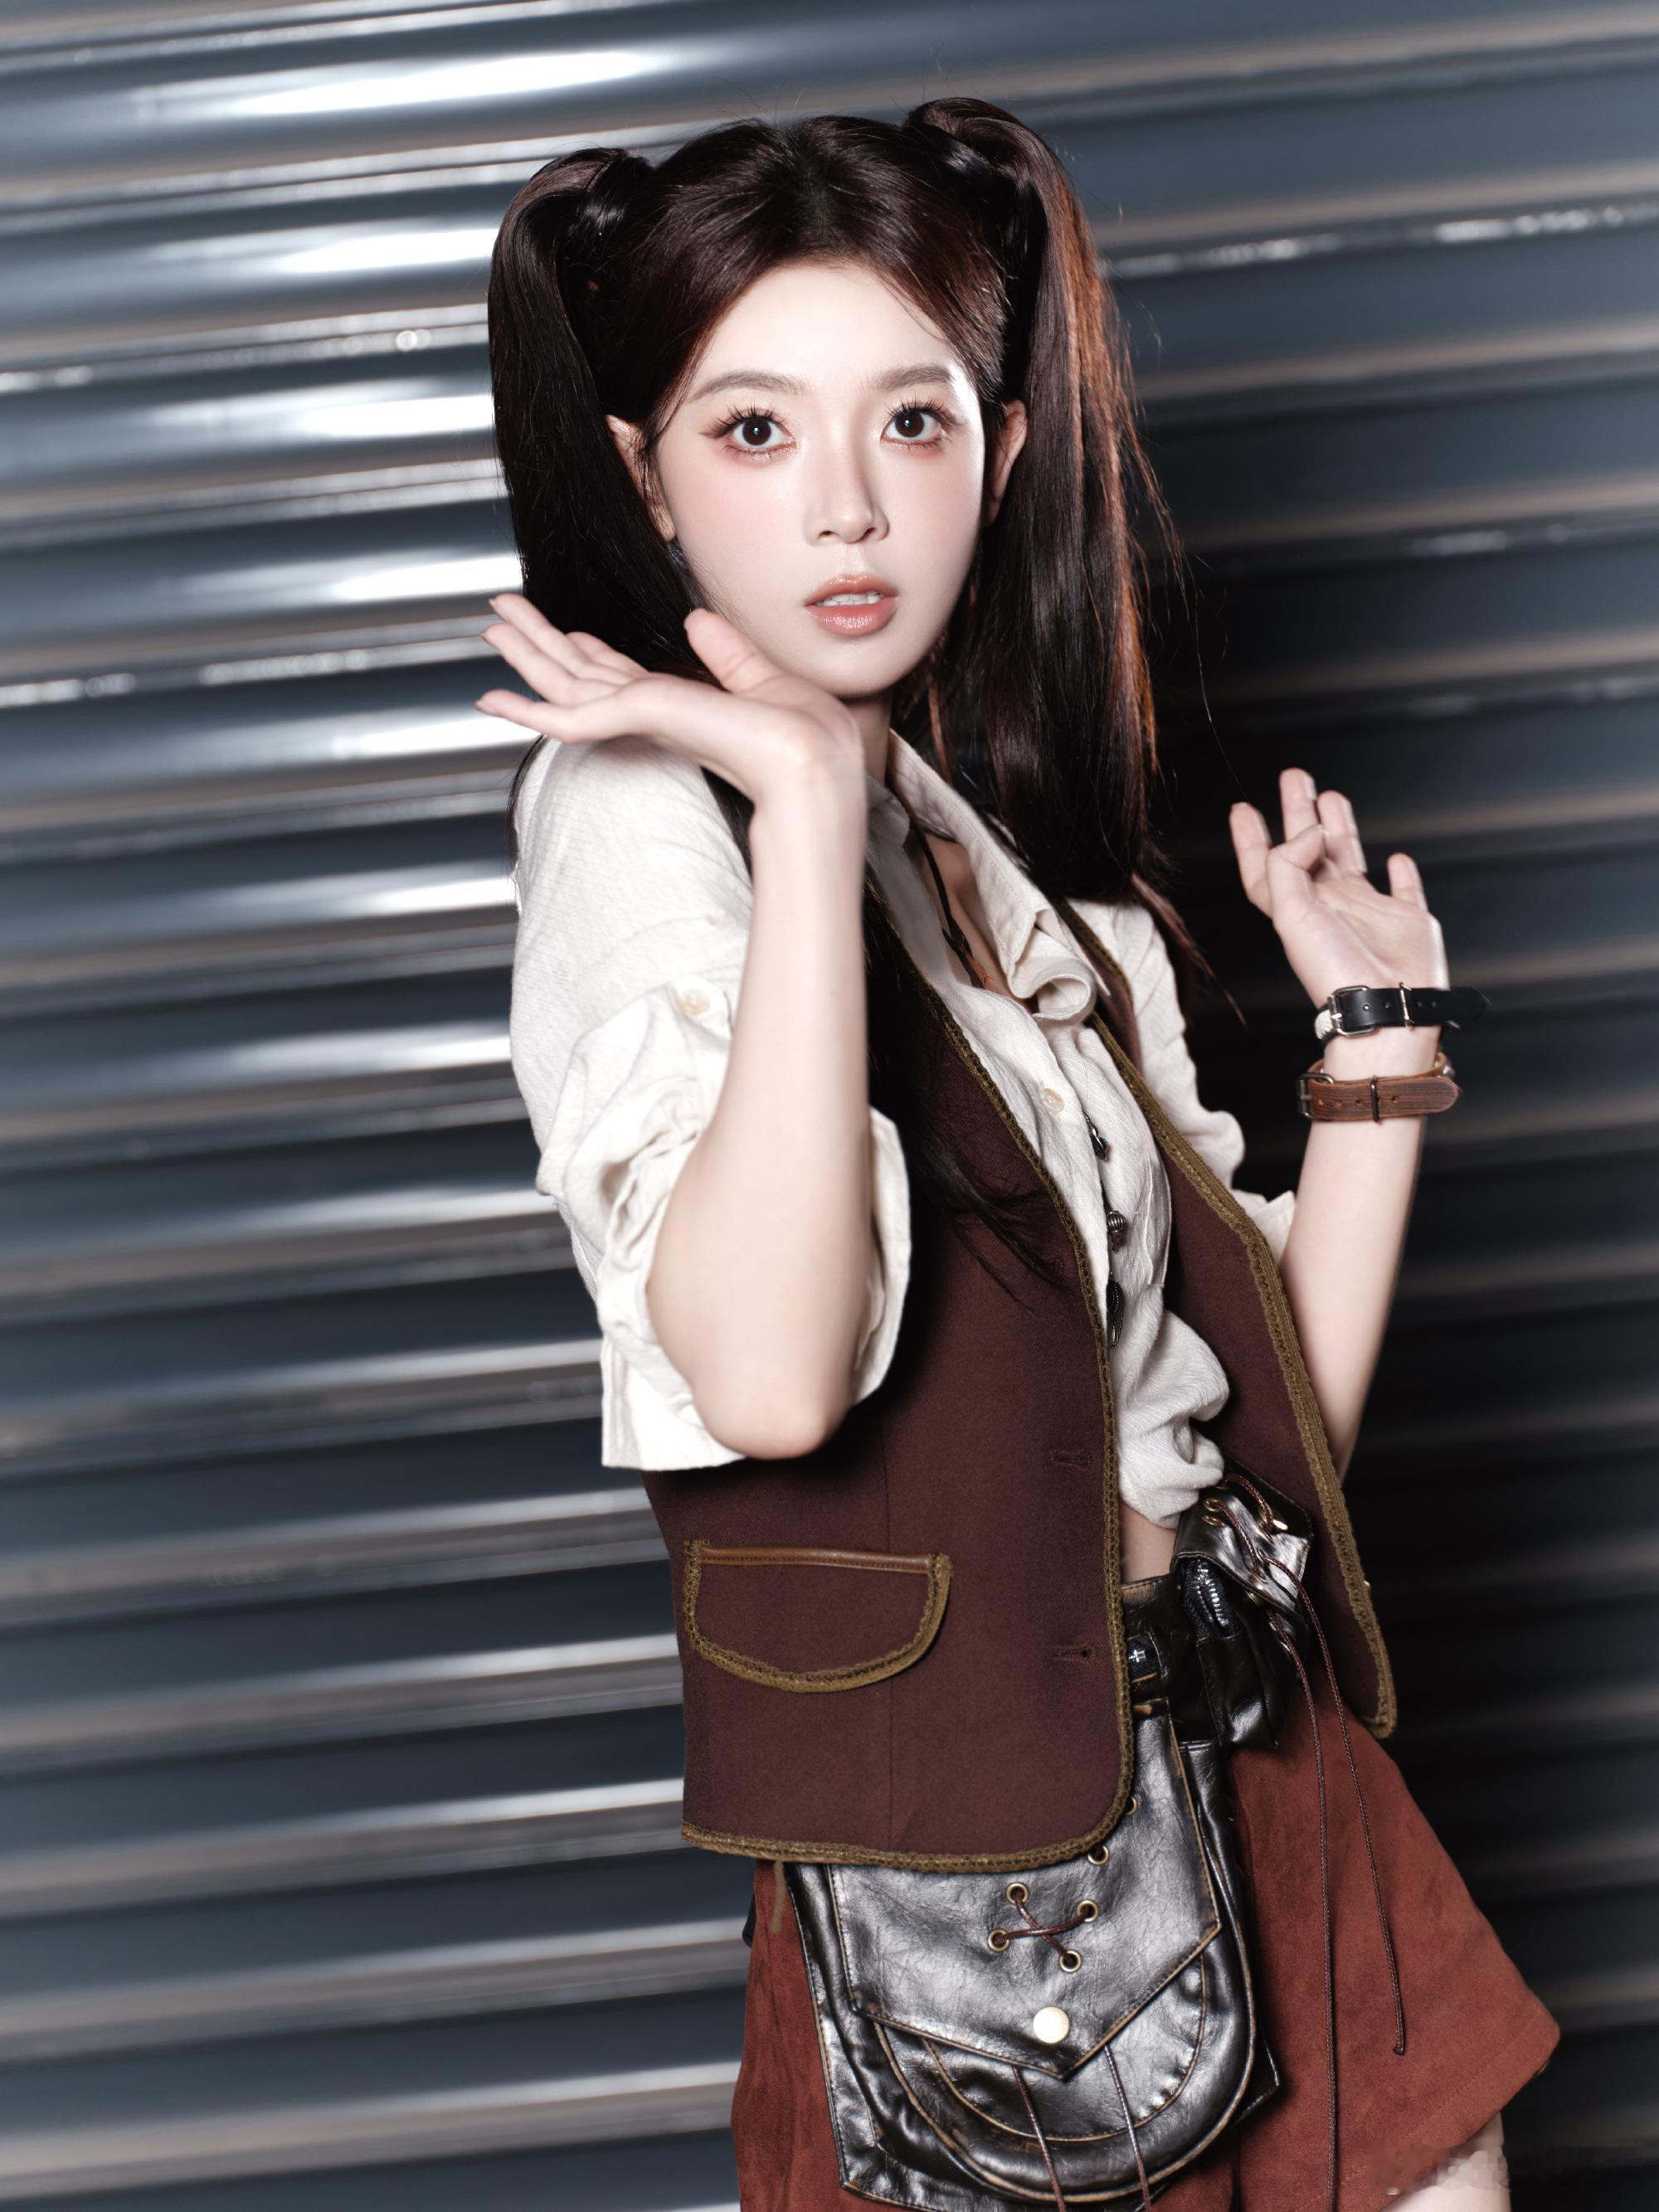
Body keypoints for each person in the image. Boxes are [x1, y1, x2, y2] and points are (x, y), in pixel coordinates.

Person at [478, 96, 1559, 2212]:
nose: (849, 504)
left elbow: (1263, 1454)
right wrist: (800, 812)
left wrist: (1374, 1052)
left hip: (1272, 1771)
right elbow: (771, 1376)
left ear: (1001, 454)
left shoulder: (990, 854)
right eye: (755, 430)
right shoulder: (643, 819)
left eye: (912, 421)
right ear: (644, 478)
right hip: (995, 1915)